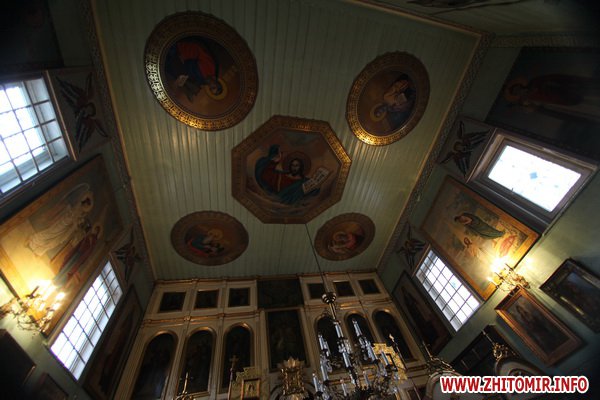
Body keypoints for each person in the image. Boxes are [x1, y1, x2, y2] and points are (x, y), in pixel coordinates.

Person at [254, 146, 319, 205]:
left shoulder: (305, 181)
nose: (294, 168)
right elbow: (264, 173)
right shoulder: (280, 176)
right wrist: (274, 160)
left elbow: (312, 194)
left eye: (297, 166)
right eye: (292, 165)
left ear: (301, 167)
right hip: (279, 204)